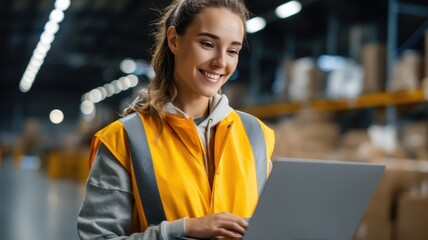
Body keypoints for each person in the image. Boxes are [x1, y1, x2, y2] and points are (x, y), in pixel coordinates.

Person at [77, 0, 275, 239]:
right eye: (207, 44)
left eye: (233, 50)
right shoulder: (123, 139)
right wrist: (182, 230)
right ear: (174, 40)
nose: (221, 62)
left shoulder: (257, 134)